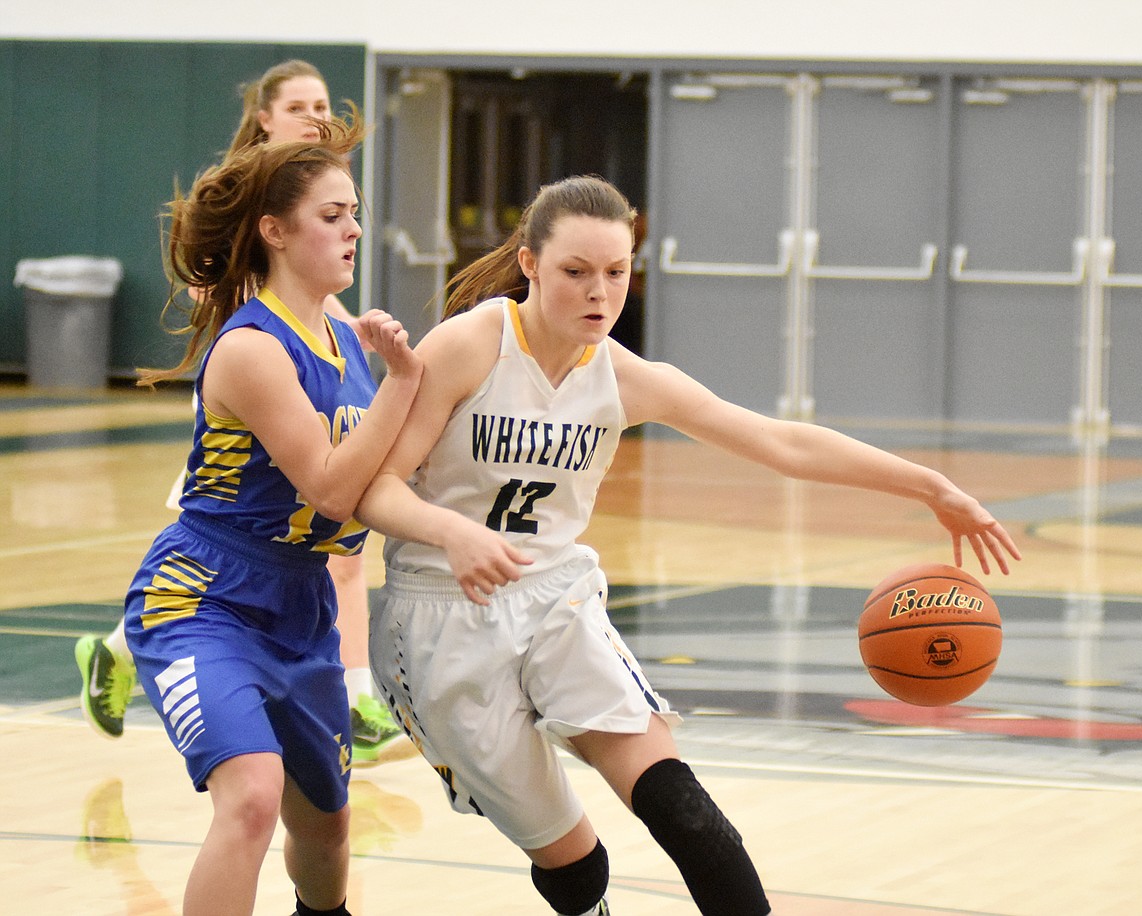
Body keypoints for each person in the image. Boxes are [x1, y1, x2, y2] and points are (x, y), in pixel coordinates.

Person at [353, 174, 1022, 916]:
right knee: (576, 864)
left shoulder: (622, 376)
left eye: (616, 271)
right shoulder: (471, 345)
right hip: (440, 613)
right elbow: (373, 488)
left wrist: (930, 486)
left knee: (686, 811)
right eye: (576, 271)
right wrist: (453, 531)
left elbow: (782, 444)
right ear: (531, 264)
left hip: (553, 600)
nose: (599, 292)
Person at [122, 110, 422, 916]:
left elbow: (383, 474)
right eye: (333, 216)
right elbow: (330, 486)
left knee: (324, 830)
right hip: (203, 598)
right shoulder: (253, 348)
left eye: (354, 212)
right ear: (275, 231)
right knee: (252, 796)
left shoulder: (349, 342)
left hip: (300, 604)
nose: (354, 229)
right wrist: (404, 386)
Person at [75, 59, 408, 766]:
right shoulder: (259, 203)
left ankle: (118, 647)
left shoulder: (320, 205)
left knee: (323, 542)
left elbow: (319, 309)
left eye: (324, 101)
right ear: (264, 116)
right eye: (300, 104)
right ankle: (359, 696)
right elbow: (214, 291)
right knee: (296, 535)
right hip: (248, 405)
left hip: (296, 399)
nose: (317, 113)